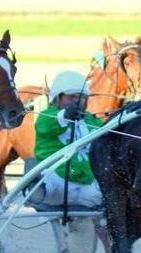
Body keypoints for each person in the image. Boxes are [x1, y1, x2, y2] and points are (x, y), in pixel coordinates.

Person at [31, 70, 104, 208]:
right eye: (72, 97)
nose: (78, 101)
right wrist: (66, 115)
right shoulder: (47, 116)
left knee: (107, 194)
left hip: (85, 182)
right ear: (58, 98)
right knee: (47, 184)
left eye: (82, 97)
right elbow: (44, 127)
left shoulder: (92, 121)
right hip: (55, 178)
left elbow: (108, 135)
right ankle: (35, 189)